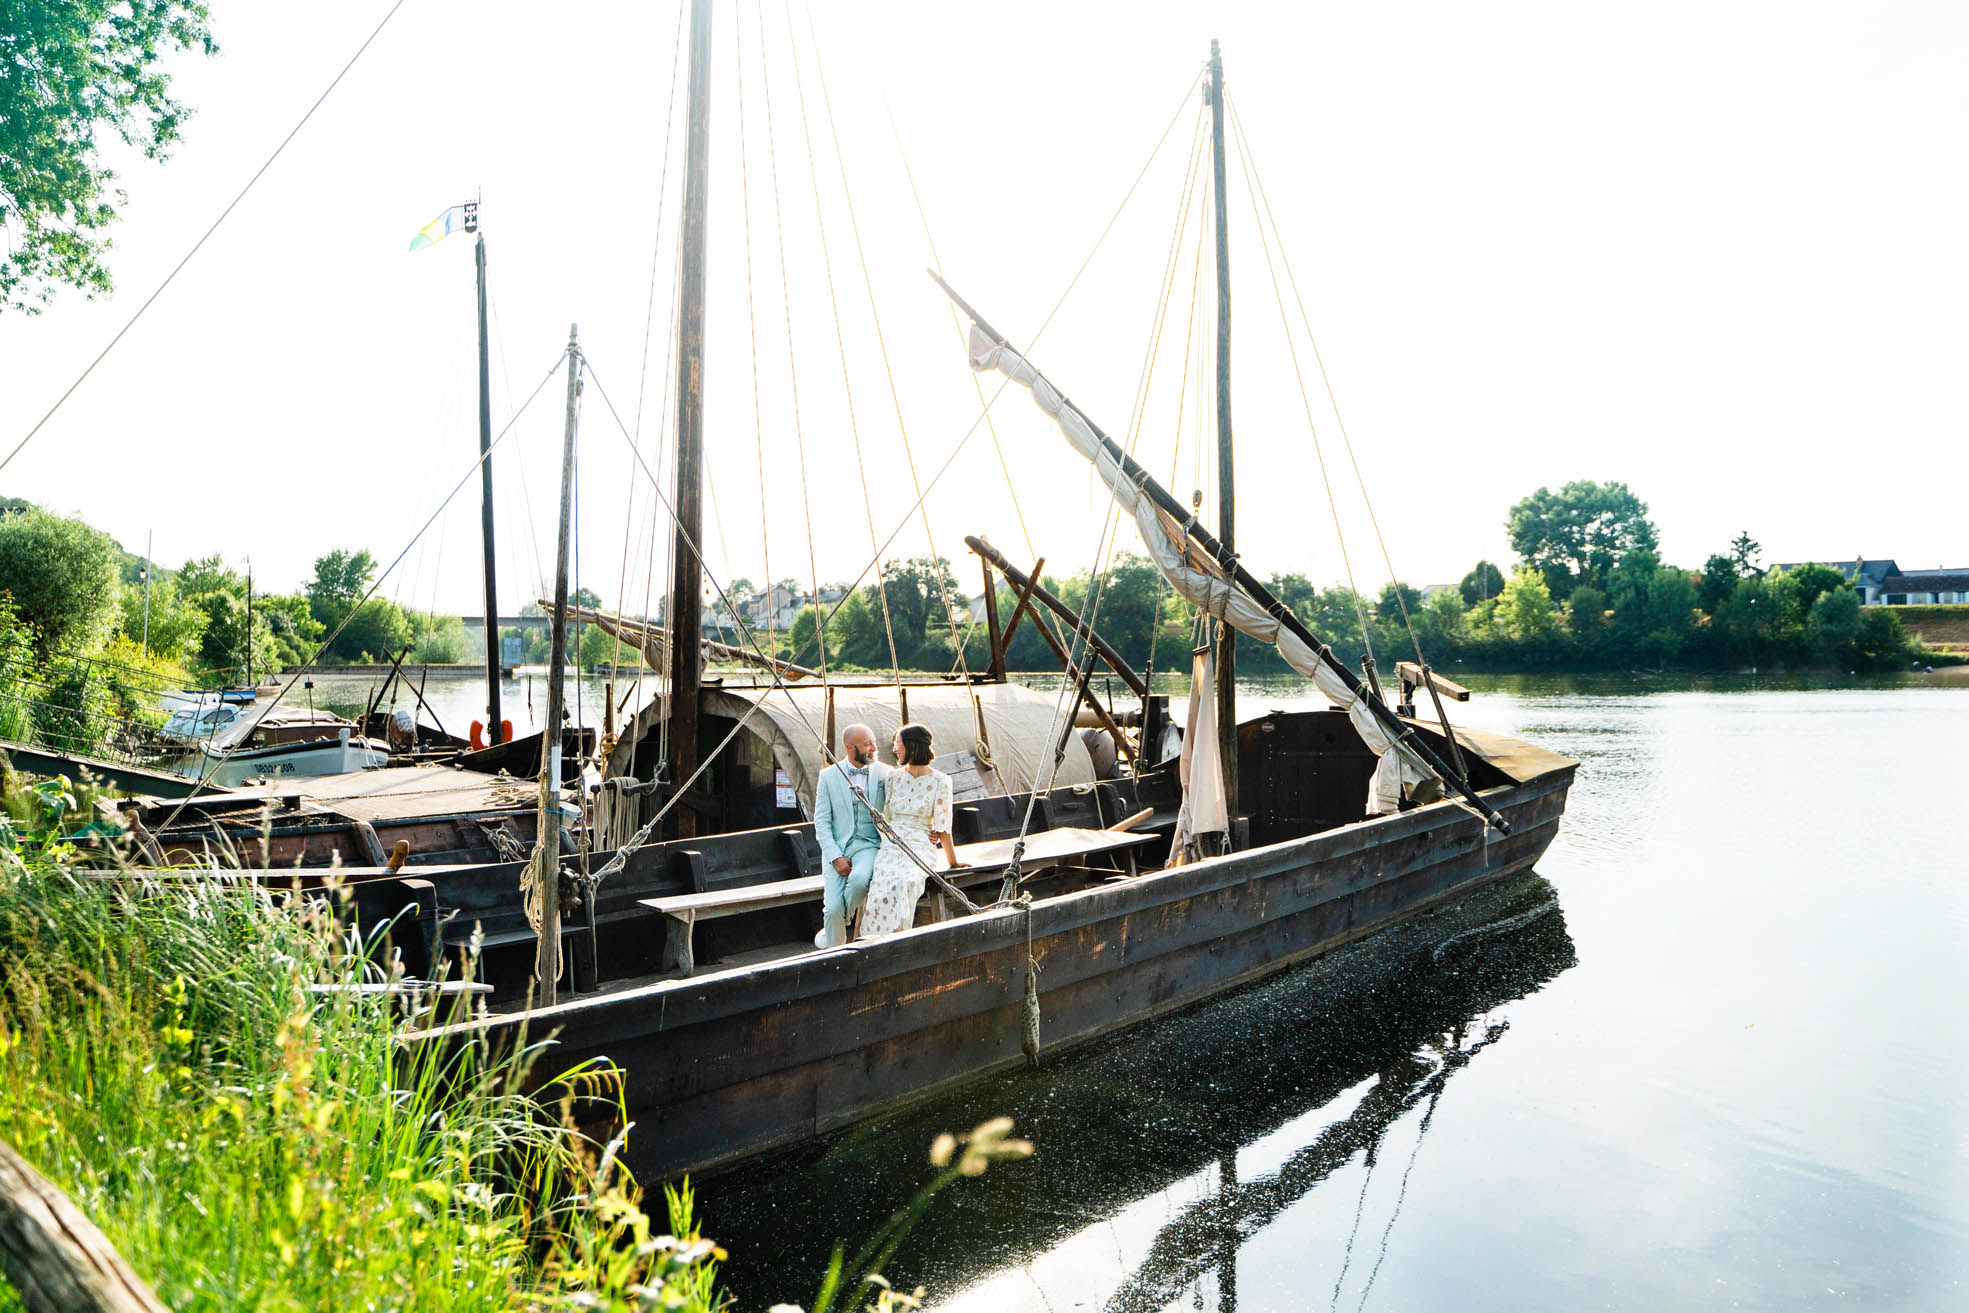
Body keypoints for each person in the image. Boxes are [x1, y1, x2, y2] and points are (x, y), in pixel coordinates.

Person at [858, 722, 957, 939]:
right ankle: (871, 939)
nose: (894, 749)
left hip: (921, 842)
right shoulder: (893, 777)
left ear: (912, 747)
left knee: (907, 881)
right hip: (892, 843)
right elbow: (886, 816)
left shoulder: (941, 781)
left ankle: (898, 937)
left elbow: (943, 826)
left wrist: (953, 862)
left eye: (898, 744)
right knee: (883, 880)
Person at [812, 723, 890, 948]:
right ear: (849, 747)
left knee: (858, 880)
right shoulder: (828, 777)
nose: (873, 748)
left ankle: (837, 923)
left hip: (869, 844)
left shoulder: (885, 773)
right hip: (838, 846)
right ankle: (834, 956)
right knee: (833, 907)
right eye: (867, 744)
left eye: (873, 742)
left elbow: (902, 806)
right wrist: (835, 857)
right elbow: (822, 822)